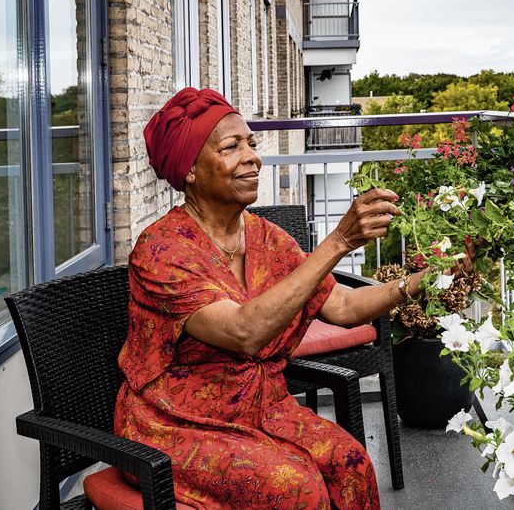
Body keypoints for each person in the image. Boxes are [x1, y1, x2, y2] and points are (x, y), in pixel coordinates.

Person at [116, 87, 455, 509]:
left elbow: (343, 308)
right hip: (177, 423)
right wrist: (339, 241)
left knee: (352, 462)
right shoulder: (162, 252)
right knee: (296, 490)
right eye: (231, 147)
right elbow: (245, 332)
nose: (252, 157)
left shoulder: (266, 238)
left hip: (262, 406)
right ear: (190, 170)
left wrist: (430, 277)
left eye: (252, 144)